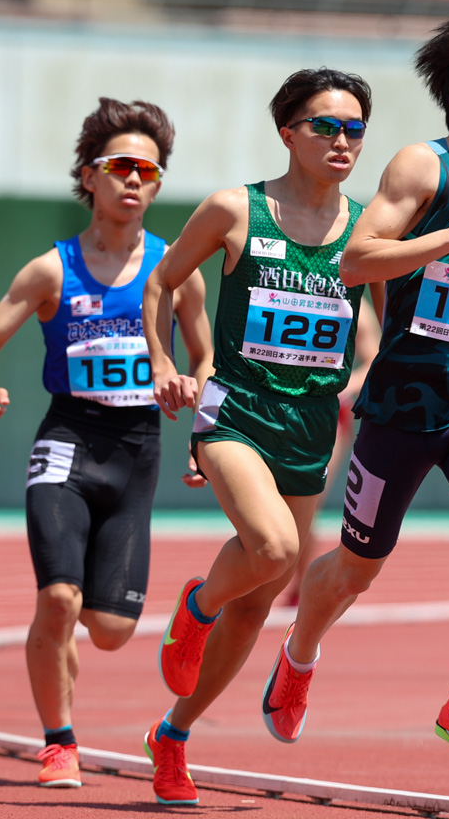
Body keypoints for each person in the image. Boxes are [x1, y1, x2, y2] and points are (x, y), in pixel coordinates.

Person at [260, 0, 449, 777]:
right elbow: (357, 261)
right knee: (357, 568)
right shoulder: (422, 168)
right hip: (403, 403)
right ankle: (300, 651)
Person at [141, 67, 383, 807]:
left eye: (354, 130)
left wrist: (365, 375)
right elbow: (162, 283)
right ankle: (195, 609)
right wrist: (164, 364)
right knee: (274, 550)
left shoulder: (369, 229)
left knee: (259, 600)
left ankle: (174, 735)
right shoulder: (234, 210)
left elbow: (386, 325)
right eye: (325, 127)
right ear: (288, 133)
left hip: (311, 426)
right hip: (236, 411)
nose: (342, 142)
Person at [0, 99, 211, 789]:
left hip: (137, 452)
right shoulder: (51, 269)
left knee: (108, 630)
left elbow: (206, 357)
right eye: (121, 166)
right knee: (58, 601)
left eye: (149, 171)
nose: (135, 180)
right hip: (69, 441)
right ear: (89, 177)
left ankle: (112, 632)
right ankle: (58, 742)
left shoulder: (176, 269)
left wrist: (197, 413)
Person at [281, 307, 380, 607]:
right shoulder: (287, 286)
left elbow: (374, 357)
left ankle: (299, 587)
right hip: (276, 405)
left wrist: (345, 387)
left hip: (326, 415)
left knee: (306, 501)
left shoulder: (354, 303)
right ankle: (265, 579)